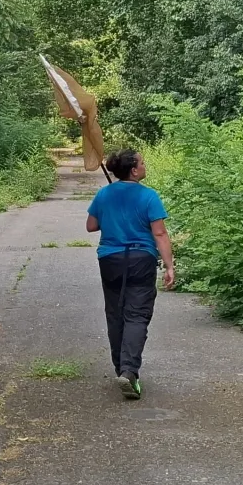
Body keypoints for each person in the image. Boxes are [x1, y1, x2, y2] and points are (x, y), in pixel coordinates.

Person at [84, 148, 175, 400]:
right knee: (136, 314)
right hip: (140, 259)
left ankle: (121, 368)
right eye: (143, 163)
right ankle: (129, 370)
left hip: (110, 260)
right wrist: (169, 265)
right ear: (134, 170)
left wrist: (112, 215)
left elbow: (91, 225)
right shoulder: (148, 196)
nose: (145, 166)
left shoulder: (104, 194)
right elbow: (159, 233)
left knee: (116, 314)